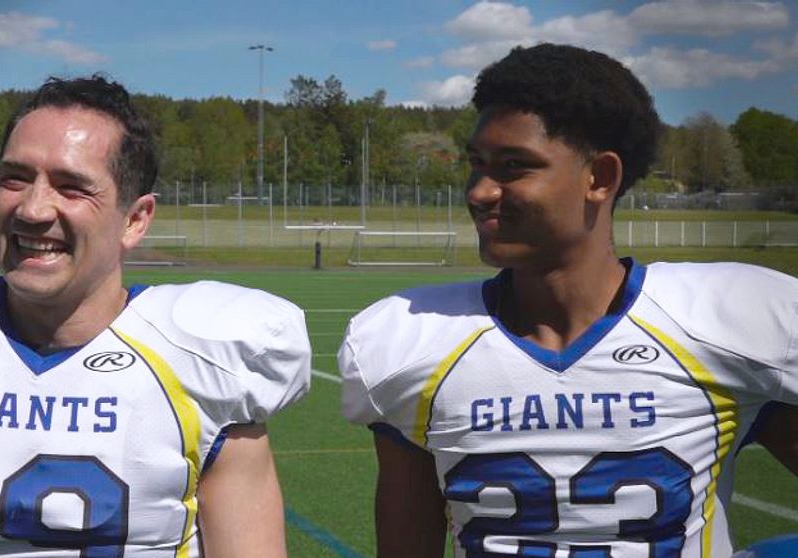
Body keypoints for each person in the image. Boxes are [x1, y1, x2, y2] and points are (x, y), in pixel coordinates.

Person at [0, 75, 311, 557]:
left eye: (71, 186)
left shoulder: (201, 361)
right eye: (14, 179)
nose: (31, 209)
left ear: (134, 220)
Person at [338, 43, 798, 558]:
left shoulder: (719, 322)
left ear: (599, 178)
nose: (480, 191)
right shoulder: (414, 342)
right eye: (477, 164)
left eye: (513, 166)